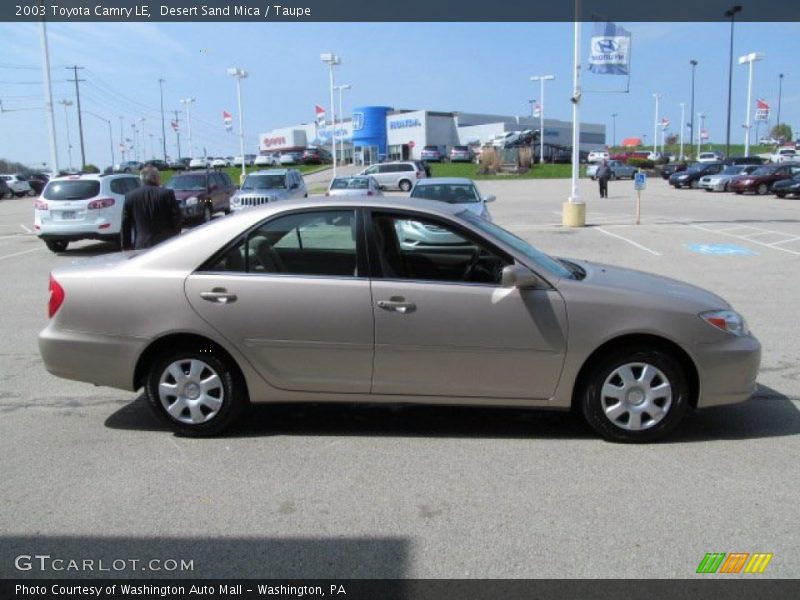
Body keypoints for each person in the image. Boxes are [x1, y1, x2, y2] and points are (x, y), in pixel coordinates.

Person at [122, 165, 182, 250]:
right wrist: (175, 234)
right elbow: (177, 218)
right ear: (155, 178)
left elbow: (125, 225)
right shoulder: (167, 194)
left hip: (142, 245)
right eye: (159, 177)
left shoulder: (130, 197)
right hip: (166, 243)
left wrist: (126, 246)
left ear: (141, 179)